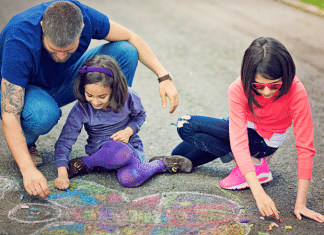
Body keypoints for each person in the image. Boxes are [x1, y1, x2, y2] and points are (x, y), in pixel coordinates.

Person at [0, 0, 178, 198]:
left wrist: (164, 76)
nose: (60, 55)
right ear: (43, 27)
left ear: (82, 28)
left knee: (126, 51)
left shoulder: (84, 16)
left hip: (65, 78)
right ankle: (27, 142)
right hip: (30, 90)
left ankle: (112, 129)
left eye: (67, 49)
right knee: (43, 114)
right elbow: (9, 114)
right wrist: (28, 170)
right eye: (53, 48)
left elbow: (131, 36)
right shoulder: (19, 39)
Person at [170, 37, 324, 223]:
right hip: (245, 132)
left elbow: (305, 147)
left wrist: (300, 204)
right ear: (248, 77)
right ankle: (252, 164)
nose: (267, 92)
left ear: (286, 76)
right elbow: (238, 141)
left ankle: (256, 164)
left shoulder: (295, 90)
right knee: (180, 155)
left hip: (264, 141)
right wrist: (258, 192)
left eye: (275, 85)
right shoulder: (238, 88)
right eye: (258, 86)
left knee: (186, 124)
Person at [54, 55, 191, 190]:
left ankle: (160, 164)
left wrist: (128, 131)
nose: (95, 102)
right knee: (119, 153)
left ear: (115, 89)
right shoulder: (82, 108)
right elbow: (65, 141)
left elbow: (140, 116)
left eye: (102, 96)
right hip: (101, 153)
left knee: (129, 178)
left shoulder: (128, 96)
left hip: (128, 147)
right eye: (89, 95)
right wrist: (62, 174)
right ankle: (84, 164)